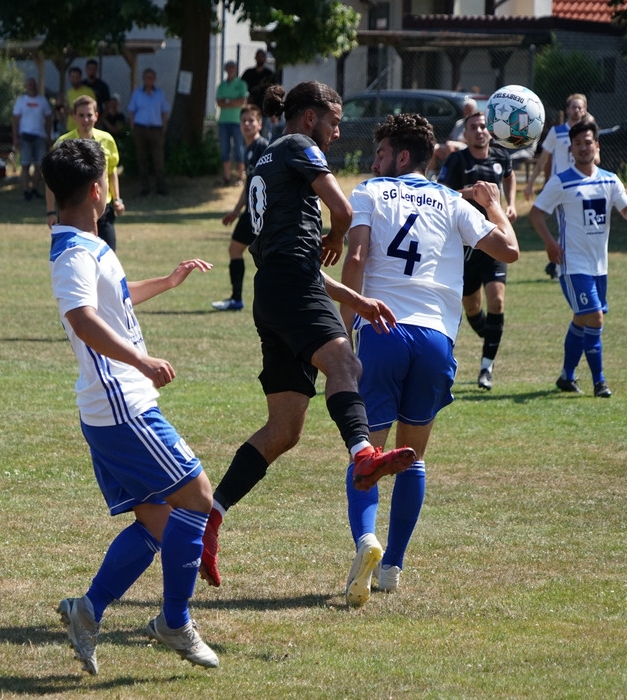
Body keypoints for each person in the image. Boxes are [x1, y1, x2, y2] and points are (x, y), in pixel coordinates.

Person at [198, 81, 417, 588]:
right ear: (310, 117)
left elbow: (292, 256)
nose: (337, 132)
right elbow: (342, 213)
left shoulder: (265, 160)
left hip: (273, 292)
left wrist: (356, 300)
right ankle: (364, 456)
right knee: (346, 363)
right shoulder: (299, 145)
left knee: (284, 429)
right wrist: (336, 236)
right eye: (333, 121)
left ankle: (211, 515)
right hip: (292, 287)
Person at [45, 138, 218, 675]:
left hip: (111, 408)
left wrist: (165, 282)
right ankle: (174, 622)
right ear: (97, 191)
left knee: (160, 524)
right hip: (122, 406)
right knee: (198, 497)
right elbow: (83, 318)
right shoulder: (73, 253)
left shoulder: (88, 242)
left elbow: (110, 300)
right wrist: (141, 361)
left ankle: (87, 610)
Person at [340, 113, 518, 606]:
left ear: (401, 157)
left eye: (380, 154)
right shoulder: (451, 201)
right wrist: (494, 203)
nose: (373, 162)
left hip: (382, 330)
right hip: (435, 339)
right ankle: (393, 567)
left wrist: (343, 328)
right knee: (412, 457)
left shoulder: (371, 191)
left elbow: (355, 259)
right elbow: (508, 250)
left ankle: (367, 541)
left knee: (367, 454)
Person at [528, 121, 627, 399]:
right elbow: (536, 213)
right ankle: (599, 381)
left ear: (597, 145)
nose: (583, 148)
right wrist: (550, 243)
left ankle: (566, 376)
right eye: (578, 144)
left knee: (582, 319)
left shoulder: (610, 180)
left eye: (588, 142)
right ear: (571, 149)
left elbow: (626, 209)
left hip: (599, 267)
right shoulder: (561, 181)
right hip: (572, 265)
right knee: (595, 316)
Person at [438, 111, 517, 391]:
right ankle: (491, 337)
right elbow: (441, 194)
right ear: (466, 134)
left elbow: (509, 177)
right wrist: (473, 193)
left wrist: (510, 203)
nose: (480, 131)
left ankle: (486, 367)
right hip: (466, 243)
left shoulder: (501, 156)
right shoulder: (456, 160)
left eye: (483, 126)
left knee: (497, 301)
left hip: (494, 239)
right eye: (474, 127)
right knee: (472, 308)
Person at [523, 93, 595, 279]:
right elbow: (543, 160)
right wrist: (530, 184)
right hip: (562, 187)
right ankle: (558, 268)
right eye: (573, 107)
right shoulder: (557, 132)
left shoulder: (589, 134)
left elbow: (597, 160)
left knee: (579, 228)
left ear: (585, 110)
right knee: (567, 227)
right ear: (568, 110)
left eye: (580, 107)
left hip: (582, 187)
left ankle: (558, 265)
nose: (577, 110)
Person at [45, 95, 125, 250]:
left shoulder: (107, 140)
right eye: (81, 115)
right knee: (73, 254)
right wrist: (50, 212)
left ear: (96, 116)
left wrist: (117, 199)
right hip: (73, 210)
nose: (85, 120)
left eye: (89, 115)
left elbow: (111, 171)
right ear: (74, 116)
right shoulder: (63, 143)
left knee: (108, 256)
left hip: (102, 208)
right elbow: (51, 180)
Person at [211, 104, 269, 311]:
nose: (247, 124)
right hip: (250, 213)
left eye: (251, 120)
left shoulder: (263, 147)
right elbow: (249, 185)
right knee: (236, 249)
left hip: (262, 213)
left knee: (268, 258)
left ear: (259, 124)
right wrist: (236, 211)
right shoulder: (248, 149)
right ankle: (236, 299)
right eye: (244, 121)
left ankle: (267, 301)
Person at [127, 68, 170, 196]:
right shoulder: (137, 94)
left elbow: (164, 111)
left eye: (151, 77)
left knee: (158, 159)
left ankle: (160, 187)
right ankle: (144, 188)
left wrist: (164, 127)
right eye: (146, 77)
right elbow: (131, 111)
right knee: (142, 159)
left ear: (154, 79)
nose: (149, 80)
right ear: (143, 79)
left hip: (156, 129)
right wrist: (133, 127)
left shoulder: (160, 94)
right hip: (140, 129)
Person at [12, 77, 52, 200]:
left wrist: (48, 135)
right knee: (25, 165)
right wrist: (15, 137)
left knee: (39, 166)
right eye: (29, 84)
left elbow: (49, 118)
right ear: (26, 86)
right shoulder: (21, 101)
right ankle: (26, 191)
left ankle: (34, 189)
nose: (31, 86)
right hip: (25, 137)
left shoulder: (42, 101)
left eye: (33, 84)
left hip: (40, 137)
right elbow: (15, 120)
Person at [216, 60, 248, 186]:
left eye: (233, 68)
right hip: (223, 121)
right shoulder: (222, 85)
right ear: (225, 70)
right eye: (228, 68)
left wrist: (227, 101)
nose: (230, 70)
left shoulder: (241, 84)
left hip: (237, 121)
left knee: (239, 148)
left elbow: (242, 101)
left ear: (236, 69)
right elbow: (219, 103)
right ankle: (226, 176)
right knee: (225, 149)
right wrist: (233, 101)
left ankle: (240, 177)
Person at [427, 97, 477, 175]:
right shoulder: (459, 123)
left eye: (469, 109)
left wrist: (454, 142)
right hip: (451, 145)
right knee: (435, 147)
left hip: (465, 147)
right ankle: (431, 175)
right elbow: (450, 137)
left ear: (474, 110)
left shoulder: (474, 123)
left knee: (450, 145)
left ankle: (448, 172)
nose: (467, 112)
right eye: (465, 109)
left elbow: (472, 139)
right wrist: (449, 142)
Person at [64, 66, 94, 133]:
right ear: (69, 78)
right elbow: (66, 109)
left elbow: (94, 109)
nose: (75, 79)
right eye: (72, 77)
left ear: (80, 78)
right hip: (70, 128)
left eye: (77, 77)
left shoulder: (88, 92)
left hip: (84, 128)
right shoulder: (69, 92)